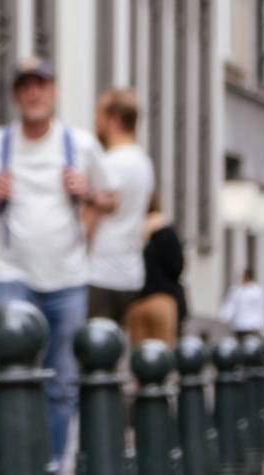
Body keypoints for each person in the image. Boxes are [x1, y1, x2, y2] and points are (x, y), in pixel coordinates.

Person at [0, 57, 116, 464]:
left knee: (61, 380)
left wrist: (87, 192)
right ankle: (12, 459)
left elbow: (110, 199)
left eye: (41, 85)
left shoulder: (80, 145)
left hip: (67, 278)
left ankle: (52, 462)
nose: (34, 93)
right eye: (26, 86)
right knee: (11, 372)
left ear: (54, 91)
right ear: (16, 94)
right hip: (11, 274)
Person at [87, 89, 155, 324]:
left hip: (100, 272)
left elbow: (92, 215)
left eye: (99, 115)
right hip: (131, 274)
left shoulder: (110, 163)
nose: (95, 121)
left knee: (93, 349)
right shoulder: (144, 162)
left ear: (113, 120)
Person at [126, 193, 184, 345]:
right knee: (162, 356)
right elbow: (177, 266)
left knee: (140, 358)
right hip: (162, 299)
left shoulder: (131, 229)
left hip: (135, 301)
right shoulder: (165, 230)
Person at [220, 268, 264, 339]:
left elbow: (262, 308)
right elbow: (231, 305)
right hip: (239, 325)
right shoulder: (237, 290)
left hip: (252, 326)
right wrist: (225, 316)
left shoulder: (257, 291)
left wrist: (262, 324)